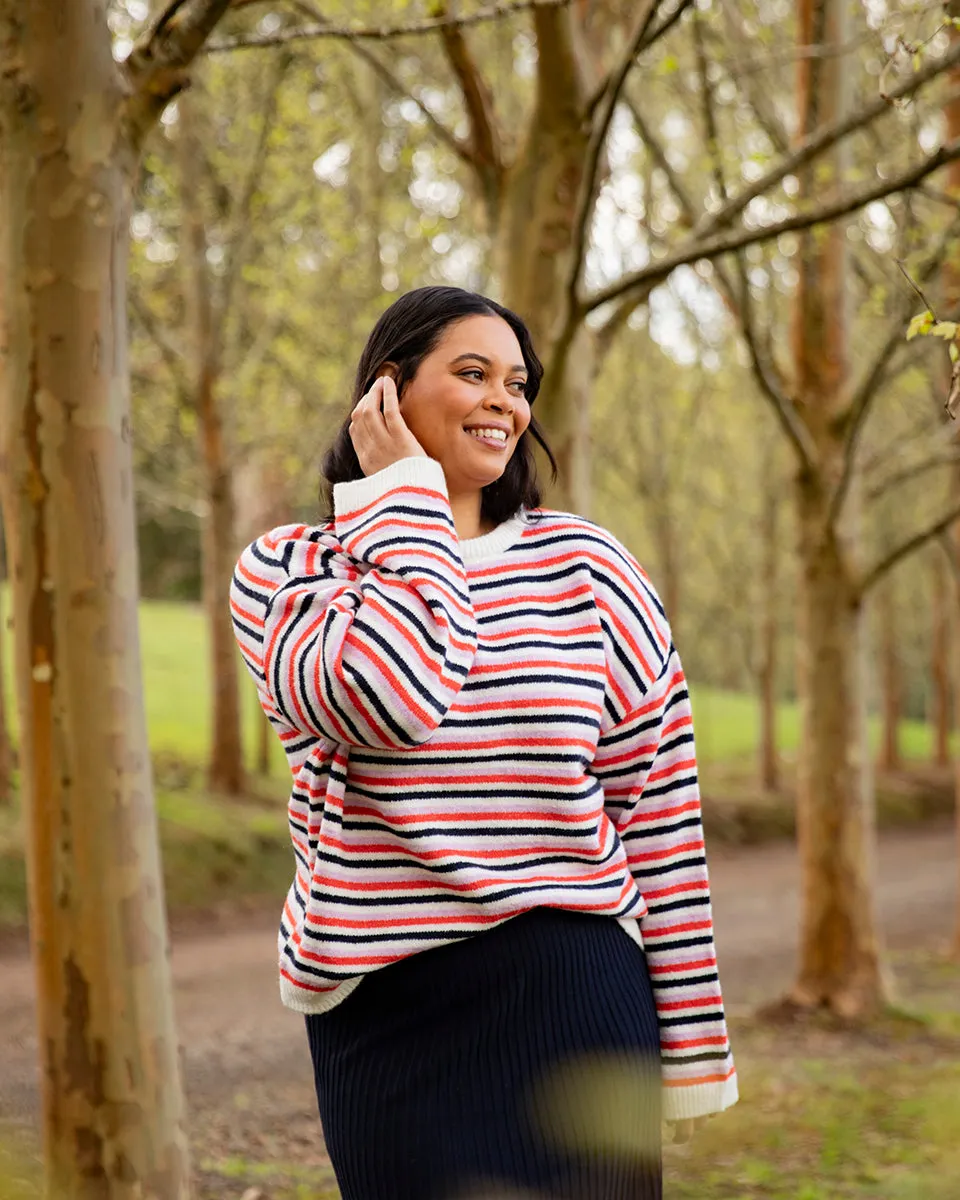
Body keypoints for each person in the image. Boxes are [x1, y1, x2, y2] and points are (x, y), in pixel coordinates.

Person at [230, 285, 738, 1200]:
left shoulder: (590, 568)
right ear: (386, 391)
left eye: (518, 381)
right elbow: (391, 698)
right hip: (387, 1007)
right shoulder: (289, 571)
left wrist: (693, 1047)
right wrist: (402, 507)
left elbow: (657, 806)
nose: (505, 400)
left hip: (570, 986)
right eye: (474, 374)